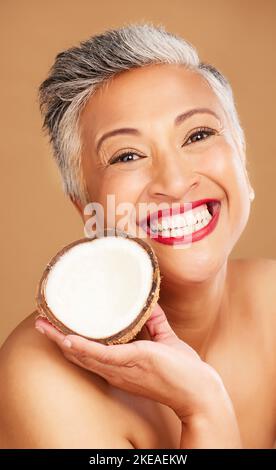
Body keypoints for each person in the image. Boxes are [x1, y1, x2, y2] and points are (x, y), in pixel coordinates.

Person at [0, 22, 275, 449]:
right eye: (127, 155)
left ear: (242, 161)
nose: (176, 180)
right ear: (86, 207)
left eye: (198, 134)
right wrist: (204, 409)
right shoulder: (40, 377)